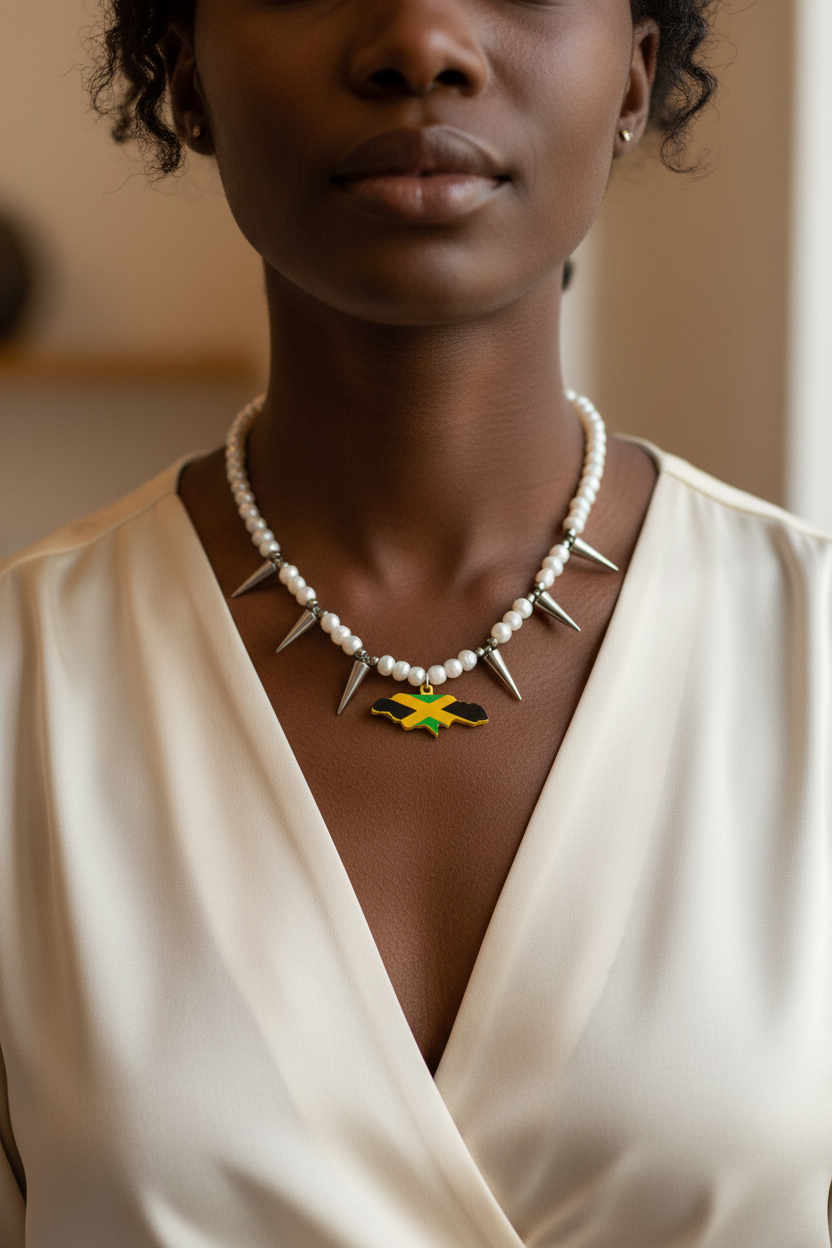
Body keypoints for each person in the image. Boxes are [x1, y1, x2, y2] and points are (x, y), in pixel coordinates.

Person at [2, 1, 831, 1244]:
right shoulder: (25, 688)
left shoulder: (808, 654)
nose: (422, 41)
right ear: (185, 78)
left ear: (632, 79)